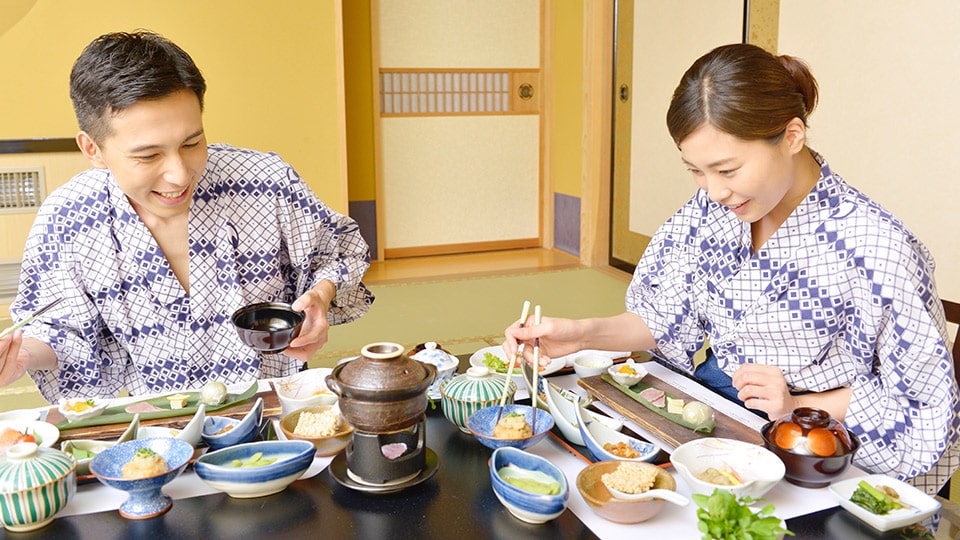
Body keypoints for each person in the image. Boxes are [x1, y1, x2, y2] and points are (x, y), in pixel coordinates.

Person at [504, 43, 960, 494]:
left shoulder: (877, 246)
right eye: (697, 171)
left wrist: (797, 405)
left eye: (728, 169)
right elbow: (663, 318)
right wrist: (578, 335)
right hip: (724, 412)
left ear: (792, 135)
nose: (715, 190)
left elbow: (920, 402)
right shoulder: (713, 211)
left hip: (820, 443)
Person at [0, 31, 374, 402]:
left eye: (192, 143)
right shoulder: (69, 218)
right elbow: (60, 330)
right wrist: (19, 356)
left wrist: (321, 298)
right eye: (149, 156)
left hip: (279, 407)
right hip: (160, 424)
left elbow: (340, 251)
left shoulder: (265, 181)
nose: (180, 174)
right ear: (93, 149)